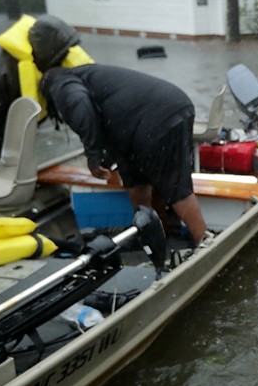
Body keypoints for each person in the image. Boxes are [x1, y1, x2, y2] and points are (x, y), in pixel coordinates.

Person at [38, 63, 212, 248]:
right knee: (134, 180)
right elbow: (107, 114)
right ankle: (155, 233)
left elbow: (81, 104)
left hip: (158, 115)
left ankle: (204, 242)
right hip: (146, 120)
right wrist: (106, 157)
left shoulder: (59, 85)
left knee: (174, 183)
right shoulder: (83, 75)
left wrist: (93, 155)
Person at [0, 14, 92, 167]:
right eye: (61, 55)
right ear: (44, 51)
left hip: (14, 100)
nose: (64, 59)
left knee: (19, 152)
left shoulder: (48, 60)